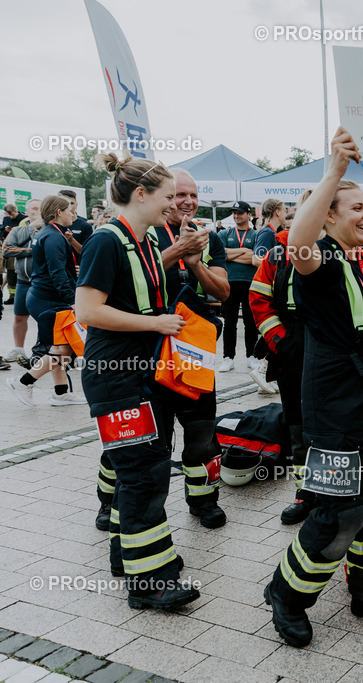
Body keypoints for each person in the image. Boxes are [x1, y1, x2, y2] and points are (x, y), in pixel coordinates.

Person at [264, 126, 363, 647]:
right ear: (329, 214)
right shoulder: (323, 262)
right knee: (340, 514)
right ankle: (286, 597)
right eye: (354, 208)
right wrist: (334, 172)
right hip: (335, 408)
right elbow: (298, 244)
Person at [76, 153, 199, 610]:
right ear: (141, 194)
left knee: (145, 472)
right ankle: (149, 585)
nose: (174, 206)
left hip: (145, 375)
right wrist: (155, 326)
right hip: (116, 379)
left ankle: (134, 557)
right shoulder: (105, 241)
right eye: (168, 197)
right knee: (142, 477)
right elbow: (87, 311)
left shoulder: (146, 243)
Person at [94, 168, 231, 532]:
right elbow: (131, 278)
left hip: (192, 349)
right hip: (147, 352)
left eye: (191, 196)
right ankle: (110, 502)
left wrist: (195, 262)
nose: (184, 202)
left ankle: (204, 501)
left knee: (202, 432)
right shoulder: (142, 231)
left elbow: (223, 293)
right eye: (177, 195)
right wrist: (177, 250)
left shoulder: (206, 235)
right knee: (139, 437)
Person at [250, 196, 311, 524]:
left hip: (336, 355)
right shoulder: (278, 252)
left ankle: (337, 493)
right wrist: (280, 339)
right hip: (291, 350)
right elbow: (258, 296)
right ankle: (304, 493)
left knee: (334, 426)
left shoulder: (348, 252)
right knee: (298, 426)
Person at [6, 195, 87, 406]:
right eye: (69, 210)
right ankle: (23, 382)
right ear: (59, 213)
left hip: (45, 298)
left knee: (60, 347)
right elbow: (57, 272)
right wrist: (72, 300)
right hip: (50, 300)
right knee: (61, 348)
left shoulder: (52, 233)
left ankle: (60, 393)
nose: (72, 214)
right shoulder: (53, 236)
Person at [249, 198, 289, 394]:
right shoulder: (267, 232)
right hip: (271, 288)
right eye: (283, 209)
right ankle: (262, 369)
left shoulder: (273, 232)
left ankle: (266, 373)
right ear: (276, 212)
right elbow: (257, 259)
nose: (285, 212)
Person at [218, 200, 259, 372]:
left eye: (240, 212)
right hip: (229, 283)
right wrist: (244, 251)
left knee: (251, 322)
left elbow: (254, 258)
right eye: (234, 212)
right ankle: (228, 357)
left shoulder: (256, 235)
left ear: (249, 215)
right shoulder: (225, 233)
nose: (236, 215)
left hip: (250, 283)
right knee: (229, 322)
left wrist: (231, 254)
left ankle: (252, 356)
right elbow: (221, 254)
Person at [2, 198, 42, 368]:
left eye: (40, 208)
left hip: (42, 282)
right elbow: (7, 249)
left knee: (43, 318)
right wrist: (30, 250)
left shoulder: (48, 230)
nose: (37, 211)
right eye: (34, 208)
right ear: (27, 212)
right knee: (19, 316)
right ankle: (19, 349)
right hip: (23, 281)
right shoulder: (19, 230)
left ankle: (42, 351)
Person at [3, 204, 29, 304]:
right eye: (9, 215)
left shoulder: (25, 219)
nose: (11, 217)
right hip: (11, 249)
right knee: (10, 273)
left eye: (12, 214)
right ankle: (12, 296)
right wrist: (5, 231)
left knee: (21, 272)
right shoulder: (6, 220)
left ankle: (22, 296)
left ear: (16, 210)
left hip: (22, 248)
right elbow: (3, 234)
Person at [58, 189, 93, 257]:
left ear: (76, 205)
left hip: (77, 265)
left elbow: (88, 252)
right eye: (64, 203)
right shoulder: (52, 226)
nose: (69, 206)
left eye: (71, 203)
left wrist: (72, 240)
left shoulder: (85, 226)